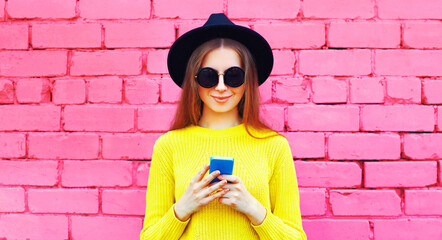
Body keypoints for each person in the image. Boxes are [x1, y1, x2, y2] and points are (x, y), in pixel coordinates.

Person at [140, 13, 307, 240]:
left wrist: (253, 208)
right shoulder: (169, 146)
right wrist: (183, 208)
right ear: (194, 80)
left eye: (233, 76)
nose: (220, 87)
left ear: (247, 80)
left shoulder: (273, 146)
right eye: (209, 77)